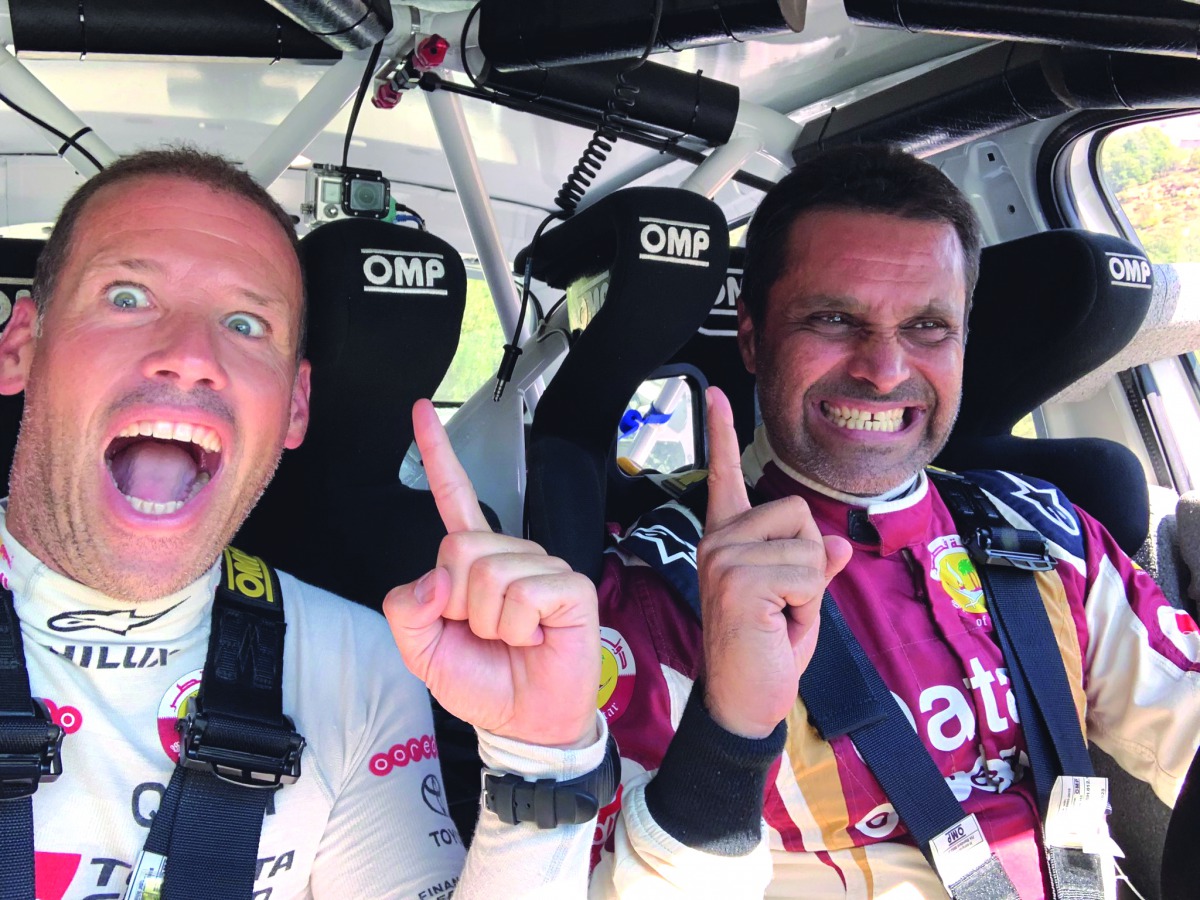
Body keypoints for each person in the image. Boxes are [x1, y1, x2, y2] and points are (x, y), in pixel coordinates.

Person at [0, 147, 611, 899]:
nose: (190, 356)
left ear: (295, 406)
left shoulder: (360, 664)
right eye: (128, 297)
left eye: (245, 323)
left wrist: (541, 760)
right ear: (21, 346)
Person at [591, 144, 1200, 897]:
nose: (883, 369)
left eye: (927, 326)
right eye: (834, 317)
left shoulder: (1043, 527)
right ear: (751, 336)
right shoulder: (655, 591)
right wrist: (727, 732)